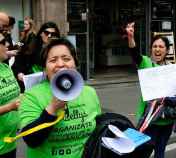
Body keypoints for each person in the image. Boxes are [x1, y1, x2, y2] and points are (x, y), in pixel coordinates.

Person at [19, 38, 102, 158]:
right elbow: (31, 140)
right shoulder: (32, 96)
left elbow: (97, 130)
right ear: (45, 69)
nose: (60, 64)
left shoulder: (90, 93)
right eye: (53, 60)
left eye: (66, 59)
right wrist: (52, 109)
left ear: (75, 63)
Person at [126, 22, 176, 158]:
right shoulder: (146, 63)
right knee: (142, 151)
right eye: (154, 46)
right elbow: (134, 53)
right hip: (150, 120)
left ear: (166, 50)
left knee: (160, 151)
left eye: (161, 46)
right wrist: (130, 37)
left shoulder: (173, 68)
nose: (157, 49)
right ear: (151, 49)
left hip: (167, 119)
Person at [0, 30, 21, 158]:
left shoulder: (5, 67)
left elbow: (15, 94)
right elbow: (12, 104)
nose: (7, 44)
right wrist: (11, 107)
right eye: (2, 42)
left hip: (11, 140)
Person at [12, 17, 36, 92]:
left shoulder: (32, 35)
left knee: (23, 85)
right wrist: (17, 44)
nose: (24, 25)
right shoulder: (25, 34)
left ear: (30, 25)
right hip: (20, 62)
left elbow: (29, 50)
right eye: (24, 24)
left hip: (25, 64)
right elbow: (21, 44)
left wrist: (20, 50)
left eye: (26, 24)